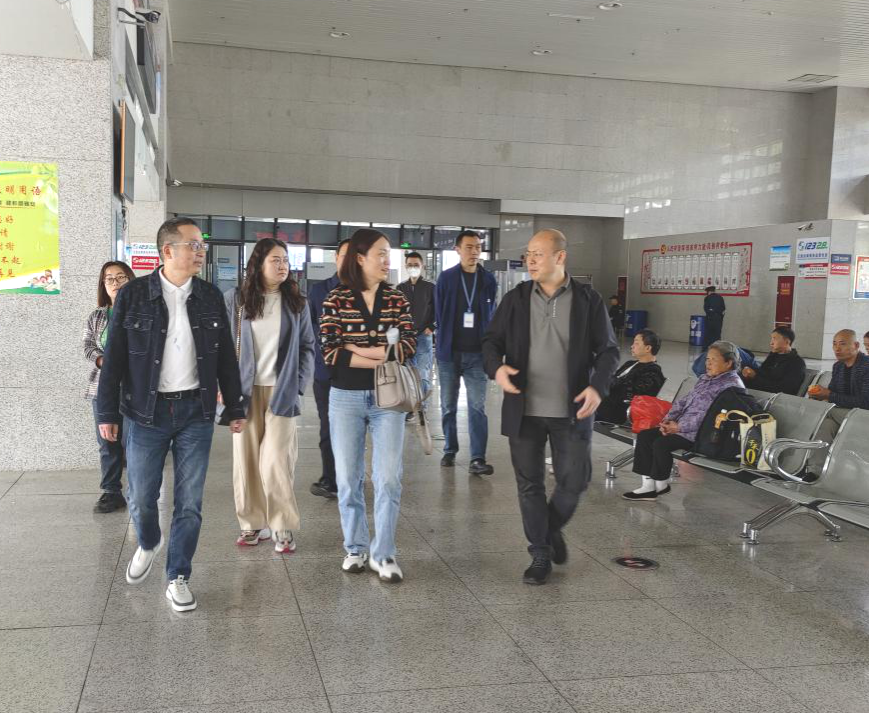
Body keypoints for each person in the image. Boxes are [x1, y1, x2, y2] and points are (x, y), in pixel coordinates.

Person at [97, 217, 247, 613]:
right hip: (145, 412)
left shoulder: (210, 296)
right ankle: (149, 541)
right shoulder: (133, 295)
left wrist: (234, 406)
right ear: (167, 251)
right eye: (193, 245)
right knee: (141, 497)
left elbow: (226, 359)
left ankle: (178, 575)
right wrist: (107, 412)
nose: (201, 252)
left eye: (202, 246)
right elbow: (114, 359)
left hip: (196, 411)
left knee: (190, 502)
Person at [483, 229, 619, 586]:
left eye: (538, 254)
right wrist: (497, 368)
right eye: (528, 254)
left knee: (575, 481)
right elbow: (491, 342)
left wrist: (597, 386)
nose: (530, 261)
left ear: (560, 257)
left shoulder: (588, 300)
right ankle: (540, 552)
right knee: (529, 485)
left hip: (572, 410)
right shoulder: (515, 299)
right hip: (524, 409)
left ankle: (549, 528)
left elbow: (608, 350)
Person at [320, 228, 416, 583]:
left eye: (389, 253)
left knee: (388, 477)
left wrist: (356, 349)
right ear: (360, 258)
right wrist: (381, 354)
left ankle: (383, 553)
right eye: (381, 253)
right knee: (348, 478)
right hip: (345, 397)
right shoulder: (336, 298)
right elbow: (330, 352)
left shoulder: (397, 298)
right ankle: (356, 547)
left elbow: (408, 346)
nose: (387, 260)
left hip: (388, 397)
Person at [224, 239, 315, 553]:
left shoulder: (296, 303)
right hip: (244, 392)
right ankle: (252, 523)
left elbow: (307, 346)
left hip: (283, 390)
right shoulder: (236, 300)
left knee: (276, 460)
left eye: (285, 260)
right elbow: (225, 345)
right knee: (246, 461)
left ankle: (281, 524)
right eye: (275, 260)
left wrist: (299, 384)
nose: (282, 265)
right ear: (258, 264)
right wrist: (223, 386)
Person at [624, 340, 744, 501]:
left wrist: (679, 427)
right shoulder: (706, 379)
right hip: (681, 428)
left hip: (703, 434)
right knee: (646, 436)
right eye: (707, 359)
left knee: (661, 443)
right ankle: (648, 486)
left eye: (713, 360)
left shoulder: (731, 386)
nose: (708, 364)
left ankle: (661, 483)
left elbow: (709, 416)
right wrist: (668, 421)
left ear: (728, 363)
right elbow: (683, 401)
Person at [434, 230, 498, 475]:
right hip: (449, 354)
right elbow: (439, 311)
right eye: (469, 247)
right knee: (448, 406)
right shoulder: (447, 278)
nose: (474, 251)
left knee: (477, 407)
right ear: (458, 250)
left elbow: (491, 314)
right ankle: (450, 449)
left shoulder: (488, 280)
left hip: (477, 355)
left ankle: (477, 458)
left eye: (478, 247)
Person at [83, 260, 136, 513]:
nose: (115, 283)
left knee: (133, 442)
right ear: (103, 285)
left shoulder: (141, 312)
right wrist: (104, 360)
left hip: (134, 387)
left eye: (121, 277)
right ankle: (111, 491)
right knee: (107, 442)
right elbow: (88, 346)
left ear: (130, 280)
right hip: (103, 387)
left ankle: (138, 491)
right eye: (109, 279)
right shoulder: (98, 316)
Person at [307, 239, 350, 500]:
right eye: (344, 255)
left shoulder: (365, 290)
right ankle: (330, 478)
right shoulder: (319, 290)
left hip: (356, 374)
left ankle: (351, 476)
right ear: (336, 258)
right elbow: (310, 328)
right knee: (327, 426)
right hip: (325, 372)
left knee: (353, 430)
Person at [808, 329, 869, 475]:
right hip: (843, 415)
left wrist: (829, 395)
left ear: (856, 345)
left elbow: (865, 402)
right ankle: (814, 472)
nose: (837, 348)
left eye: (842, 344)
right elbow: (832, 393)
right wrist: (818, 395)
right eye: (834, 344)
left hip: (863, 416)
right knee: (826, 424)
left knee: (823, 413)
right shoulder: (838, 366)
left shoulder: (866, 366)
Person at [596, 328, 665, 425]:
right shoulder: (630, 363)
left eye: (636, 343)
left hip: (617, 410)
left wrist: (611, 381)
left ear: (648, 348)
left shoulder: (653, 372)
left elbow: (634, 393)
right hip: (605, 403)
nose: (632, 346)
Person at [397, 251, 436, 409]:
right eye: (410, 265)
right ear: (406, 266)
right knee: (406, 374)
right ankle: (409, 407)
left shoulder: (430, 287)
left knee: (422, 373)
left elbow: (440, 310)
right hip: (405, 338)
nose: (413, 267)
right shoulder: (400, 288)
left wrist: (432, 327)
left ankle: (421, 407)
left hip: (423, 337)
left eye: (416, 265)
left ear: (422, 266)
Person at [741, 327, 806, 396]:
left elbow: (785, 390)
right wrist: (749, 373)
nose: (771, 343)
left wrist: (755, 377)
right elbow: (762, 372)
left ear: (787, 342)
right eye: (771, 339)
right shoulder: (773, 356)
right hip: (756, 391)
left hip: (772, 397)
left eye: (774, 339)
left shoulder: (797, 363)